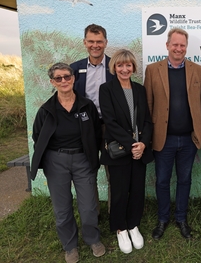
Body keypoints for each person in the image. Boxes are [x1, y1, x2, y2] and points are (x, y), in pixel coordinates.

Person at [31, 63, 105, 263]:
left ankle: (92, 239)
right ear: (52, 82)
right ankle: (70, 246)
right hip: (56, 162)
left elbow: (97, 133)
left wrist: (93, 154)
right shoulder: (46, 110)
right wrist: (51, 158)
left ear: (73, 78)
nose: (63, 81)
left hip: (83, 159)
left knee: (89, 207)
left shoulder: (86, 105)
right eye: (58, 78)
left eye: (67, 76)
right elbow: (37, 136)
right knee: (62, 209)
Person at [144, 28, 201, 240]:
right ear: (167, 45)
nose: (178, 48)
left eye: (182, 45)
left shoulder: (197, 70)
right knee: (162, 180)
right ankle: (162, 219)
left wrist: (198, 123)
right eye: (175, 44)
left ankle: (181, 218)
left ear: (186, 47)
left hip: (189, 139)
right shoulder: (153, 70)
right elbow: (148, 104)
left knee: (185, 180)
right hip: (164, 138)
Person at [99, 49, 153, 254]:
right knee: (120, 191)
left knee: (137, 189)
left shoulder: (139, 89)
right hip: (120, 150)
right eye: (120, 65)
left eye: (128, 65)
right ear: (114, 67)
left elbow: (147, 120)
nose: (124, 69)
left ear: (133, 67)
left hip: (139, 150)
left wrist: (143, 144)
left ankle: (133, 225)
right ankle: (120, 228)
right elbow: (110, 123)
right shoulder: (107, 89)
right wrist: (132, 144)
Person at [71, 23, 113, 215]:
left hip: (109, 127)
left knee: (113, 172)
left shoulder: (115, 68)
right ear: (84, 42)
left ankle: (116, 214)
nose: (95, 45)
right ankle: (93, 214)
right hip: (85, 127)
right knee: (88, 172)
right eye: (91, 41)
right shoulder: (74, 69)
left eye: (99, 41)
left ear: (105, 42)